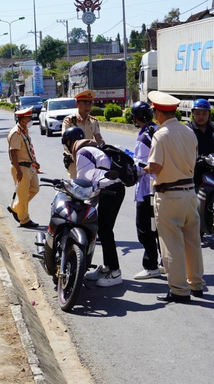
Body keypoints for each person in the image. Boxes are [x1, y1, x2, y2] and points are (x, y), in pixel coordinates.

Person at [144, 91, 205, 303]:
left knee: (171, 244)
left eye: (154, 111)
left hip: (169, 195)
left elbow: (156, 166)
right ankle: (196, 284)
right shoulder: (189, 133)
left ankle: (179, 290)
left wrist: (144, 168)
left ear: (159, 113)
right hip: (190, 193)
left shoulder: (160, 135)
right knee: (192, 241)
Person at [62, 127, 126, 287]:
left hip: (112, 190)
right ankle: (106, 267)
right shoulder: (91, 149)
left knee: (105, 230)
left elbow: (83, 183)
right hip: (111, 189)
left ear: (70, 142)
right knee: (101, 229)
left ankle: (115, 272)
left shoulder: (82, 153)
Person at [129, 101, 163, 280]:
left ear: (136, 118)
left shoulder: (144, 137)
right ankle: (165, 262)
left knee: (145, 229)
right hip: (161, 187)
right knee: (160, 229)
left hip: (147, 189)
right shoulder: (158, 130)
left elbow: (143, 166)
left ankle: (151, 265)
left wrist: (130, 166)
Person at [6, 107, 41, 228]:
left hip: (29, 166)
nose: (31, 119)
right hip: (20, 167)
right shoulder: (16, 133)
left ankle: (16, 208)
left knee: (35, 189)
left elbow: (27, 149)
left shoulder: (24, 131)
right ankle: (24, 219)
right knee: (22, 194)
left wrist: (34, 162)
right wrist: (18, 171)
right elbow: (13, 153)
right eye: (29, 118)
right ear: (22, 119)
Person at [61, 90, 105, 179]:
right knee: (75, 185)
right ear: (77, 104)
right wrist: (71, 155)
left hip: (89, 158)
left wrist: (104, 148)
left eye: (89, 104)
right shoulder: (69, 120)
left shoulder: (93, 121)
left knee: (91, 185)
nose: (87, 106)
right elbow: (65, 141)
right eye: (85, 103)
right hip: (74, 158)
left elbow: (98, 137)